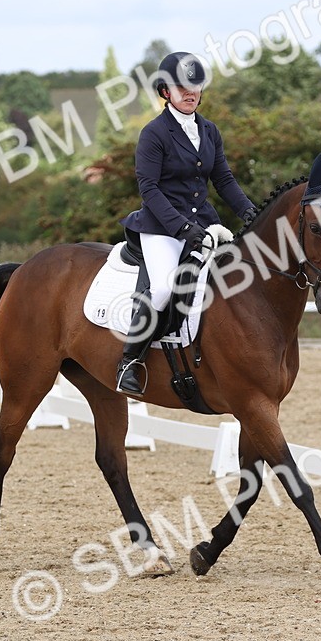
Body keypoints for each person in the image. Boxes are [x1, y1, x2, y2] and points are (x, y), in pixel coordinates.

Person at [115, 51, 259, 395]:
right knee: (164, 289)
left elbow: (223, 179)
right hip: (161, 227)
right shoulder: (154, 133)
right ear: (166, 92)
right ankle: (129, 362)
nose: (190, 92)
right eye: (182, 87)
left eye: (195, 86)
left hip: (204, 225)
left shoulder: (209, 131)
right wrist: (181, 228)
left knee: (235, 277)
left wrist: (251, 213)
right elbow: (149, 189)